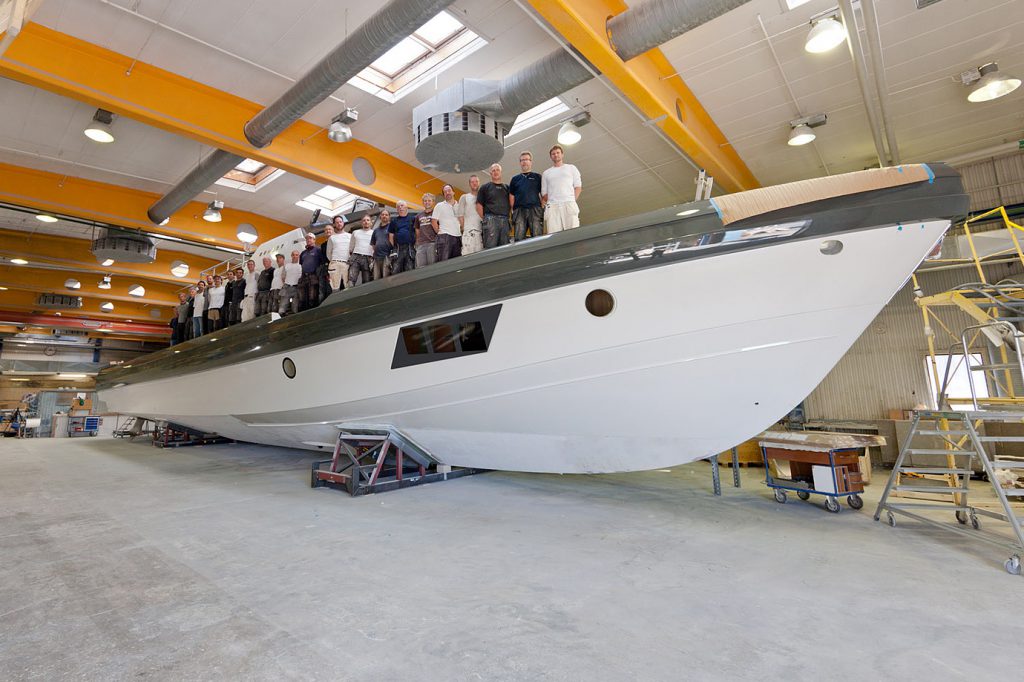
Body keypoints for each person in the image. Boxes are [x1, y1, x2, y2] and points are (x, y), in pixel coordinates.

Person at [541, 144, 582, 233]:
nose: (556, 155)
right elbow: (544, 193)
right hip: (553, 207)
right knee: (553, 234)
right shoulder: (546, 173)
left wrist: (571, 200)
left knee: (573, 233)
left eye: (558, 153)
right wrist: (554, 200)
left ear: (562, 154)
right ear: (551, 157)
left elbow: (578, 186)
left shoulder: (571, 168)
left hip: (569, 204)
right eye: (553, 154)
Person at [509, 151, 543, 241]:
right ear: (520, 163)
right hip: (519, 211)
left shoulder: (538, 177)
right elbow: (511, 196)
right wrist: (514, 210)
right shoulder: (515, 179)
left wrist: (541, 208)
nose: (524, 162)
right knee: (519, 239)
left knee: (537, 238)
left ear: (531, 162)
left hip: (535, 210)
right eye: (522, 160)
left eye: (526, 159)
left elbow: (542, 194)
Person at [477, 163, 511, 249]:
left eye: (497, 170)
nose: (495, 172)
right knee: (490, 249)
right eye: (493, 170)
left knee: (504, 249)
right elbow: (479, 205)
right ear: (490, 173)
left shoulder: (507, 188)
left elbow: (511, 203)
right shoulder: (485, 187)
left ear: (501, 172)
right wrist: (486, 219)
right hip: (490, 220)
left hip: (505, 221)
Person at [433, 184, 461, 261]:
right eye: (445, 192)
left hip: (458, 237)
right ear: (444, 195)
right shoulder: (439, 205)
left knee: (457, 263)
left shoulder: (459, 206)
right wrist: (439, 233)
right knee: (444, 263)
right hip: (444, 237)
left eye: (449, 191)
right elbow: (433, 221)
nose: (447, 193)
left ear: (453, 192)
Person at [457, 174, 483, 255]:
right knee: (467, 257)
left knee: (480, 257)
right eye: (472, 182)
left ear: (479, 183)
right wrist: (465, 228)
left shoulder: (483, 198)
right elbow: (460, 215)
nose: (474, 183)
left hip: (481, 233)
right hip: (468, 233)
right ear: (469, 184)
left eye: (476, 181)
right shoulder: (464, 197)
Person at [389, 200, 416, 274]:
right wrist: (394, 247)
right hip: (398, 248)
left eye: (402, 205)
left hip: (410, 248)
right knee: (395, 270)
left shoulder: (413, 219)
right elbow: (391, 235)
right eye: (398, 206)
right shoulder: (394, 221)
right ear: (397, 209)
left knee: (410, 269)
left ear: (406, 207)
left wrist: (416, 244)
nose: (400, 207)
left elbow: (417, 232)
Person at [298, 232, 323, 311]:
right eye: (307, 239)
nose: (308, 240)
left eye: (310, 238)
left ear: (314, 240)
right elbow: (302, 264)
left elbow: (322, 262)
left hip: (314, 276)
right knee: (303, 298)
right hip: (304, 277)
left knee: (313, 297)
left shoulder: (318, 250)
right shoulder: (303, 253)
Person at [326, 216, 352, 291]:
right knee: (335, 289)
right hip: (335, 264)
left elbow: (352, 250)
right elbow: (328, 253)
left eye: (340, 222)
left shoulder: (350, 236)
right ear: (334, 224)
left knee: (348, 287)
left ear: (343, 223)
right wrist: (334, 261)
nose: (339, 224)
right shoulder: (332, 238)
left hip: (346, 264)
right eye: (337, 222)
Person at [349, 214, 374, 286]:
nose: (366, 222)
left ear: (371, 222)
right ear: (361, 222)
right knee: (351, 279)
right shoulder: (355, 232)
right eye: (364, 220)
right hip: (356, 256)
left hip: (368, 258)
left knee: (367, 281)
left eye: (368, 220)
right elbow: (351, 245)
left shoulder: (374, 233)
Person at [414, 193, 437, 268]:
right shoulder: (418, 216)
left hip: (433, 243)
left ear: (433, 202)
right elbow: (417, 229)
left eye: (429, 201)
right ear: (423, 202)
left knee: (432, 267)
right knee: (421, 267)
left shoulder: (436, 213)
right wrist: (418, 241)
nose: (427, 202)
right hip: (421, 245)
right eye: (425, 201)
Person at [371, 209, 393, 280]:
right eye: (383, 214)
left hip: (387, 256)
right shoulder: (376, 230)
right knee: (376, 278)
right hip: (377, 258)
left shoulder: (392, 227)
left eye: (386, 215)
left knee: (386, 278)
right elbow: (373, 244)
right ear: (380, 216)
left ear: (389, 216)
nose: (384, 216)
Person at [279, 250, 302, 316]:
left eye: (296, 255)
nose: (295, 256)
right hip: (287, 287)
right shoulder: (287, 265)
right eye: (293, 255)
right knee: (282, 308)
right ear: (291, 256)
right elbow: (283, 276)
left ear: (298, 256)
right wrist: (286, 284)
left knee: (295, 309)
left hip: (297, 288)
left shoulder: (301, 266)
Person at [319, 224, 333, 303]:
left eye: (329, 229)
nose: (328, 231)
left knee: (331, 288)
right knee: (323, 289)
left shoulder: (336, 241)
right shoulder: (323, 245)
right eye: (326, 230)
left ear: (333, 231)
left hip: (334, 267)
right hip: (325, 268)